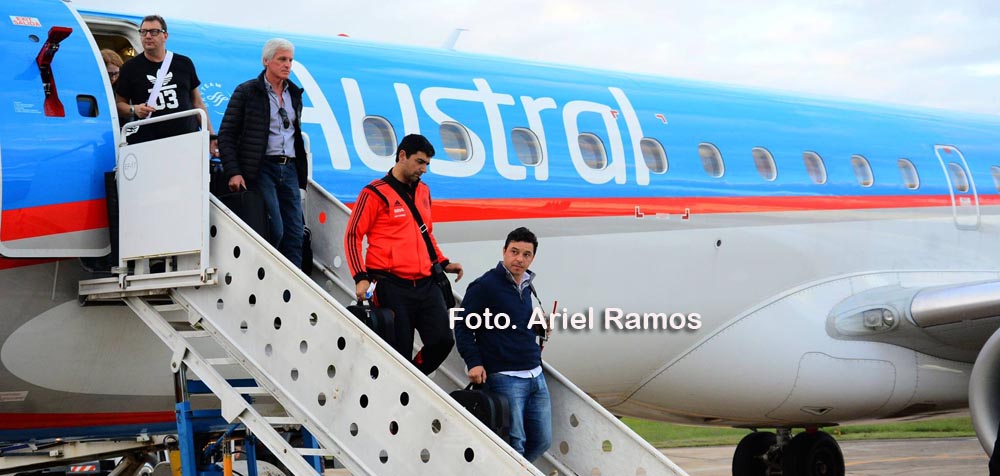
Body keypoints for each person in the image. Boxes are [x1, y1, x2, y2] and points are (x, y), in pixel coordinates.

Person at [345, 134, 463, 375]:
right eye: (420, 162)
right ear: (402, 156)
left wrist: (443, 262)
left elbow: (426, 233)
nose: (424, 169)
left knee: (443, 341)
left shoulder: (424, 191)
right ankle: (403, 383)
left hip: (426, 283)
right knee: (398, 350)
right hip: (392, 285)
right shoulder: (374, 193)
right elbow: (352, 236)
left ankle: (412, 376)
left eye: (427, 164)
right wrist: (360, 276)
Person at [453, 227, 552, 462]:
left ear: (532, 258)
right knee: (515, 443)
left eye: (526, 254)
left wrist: (537, 326)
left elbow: (511, 322)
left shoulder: (528, 286)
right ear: (504, 251)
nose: (519, 259)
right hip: (504, 377)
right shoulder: (484, 286)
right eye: (514, 252)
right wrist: (473, 363)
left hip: (535, 374)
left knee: (542, 441)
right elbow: (462, 326)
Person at [217, 38, 307, 268]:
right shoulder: (248, 91)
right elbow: (226, 134)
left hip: (289, 167)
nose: (287, 65)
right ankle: (270, 274)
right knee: (274, 228)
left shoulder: (294, 94)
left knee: (295, 230)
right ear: (266, 61)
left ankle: (295, 282)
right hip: (261, 166)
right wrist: (233, 172)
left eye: (290, 60)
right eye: (282, 59)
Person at [115, 14, 215, 146]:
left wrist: (211, 137)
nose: (148, 36)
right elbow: (119, 105)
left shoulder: (184, 63)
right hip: (149, 142)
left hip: (187, 139)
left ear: (165, 36)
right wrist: (134, 109)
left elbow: (198, 103)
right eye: (143, 32)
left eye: (154, 32)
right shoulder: (130, 68)